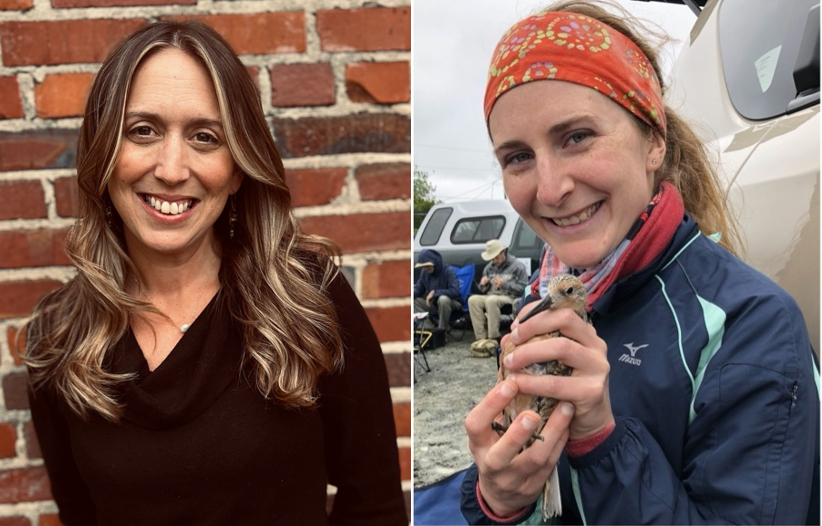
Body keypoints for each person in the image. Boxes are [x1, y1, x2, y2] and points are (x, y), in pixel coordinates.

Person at [22, 21, 407, 526]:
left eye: (205, 137)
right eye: (143, 130)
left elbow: (374, 507)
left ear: (238, 168)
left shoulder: (306, 298)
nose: (173, 168)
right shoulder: (58, 336)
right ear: (103, 153)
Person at [460, 1, 820, 524]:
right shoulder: (545, 300)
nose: (550, 188)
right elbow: (519, 493)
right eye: (517, 157)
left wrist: (600, 441)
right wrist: (499, 500)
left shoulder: (752, 330)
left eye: (576, 137)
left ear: (653, 141)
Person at [468, 239, 527, 356]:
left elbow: (524, 288)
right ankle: (481, 339)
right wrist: (482, 285)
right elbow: (483, 290)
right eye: (491, 258)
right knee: (473, 299)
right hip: (491, 295)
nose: (493, 260)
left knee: (491, 300)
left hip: (510, 296)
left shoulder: (517, 266)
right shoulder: (489, 268)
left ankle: (493, 339)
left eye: (495, 257)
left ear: (502, 252)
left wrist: (505, 284)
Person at [414, 249, 463, 331]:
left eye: (427, 265)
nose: (425, 268)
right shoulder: (424, 273)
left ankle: (441, 331)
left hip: (452, 304)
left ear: (434, 262)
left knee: (443, 299)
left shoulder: (448, 270)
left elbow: (455, 291)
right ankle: (430, 330)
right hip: (433, 305)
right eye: (424, 266)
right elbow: (418, 289)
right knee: (414, 301)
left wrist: (435, 293)